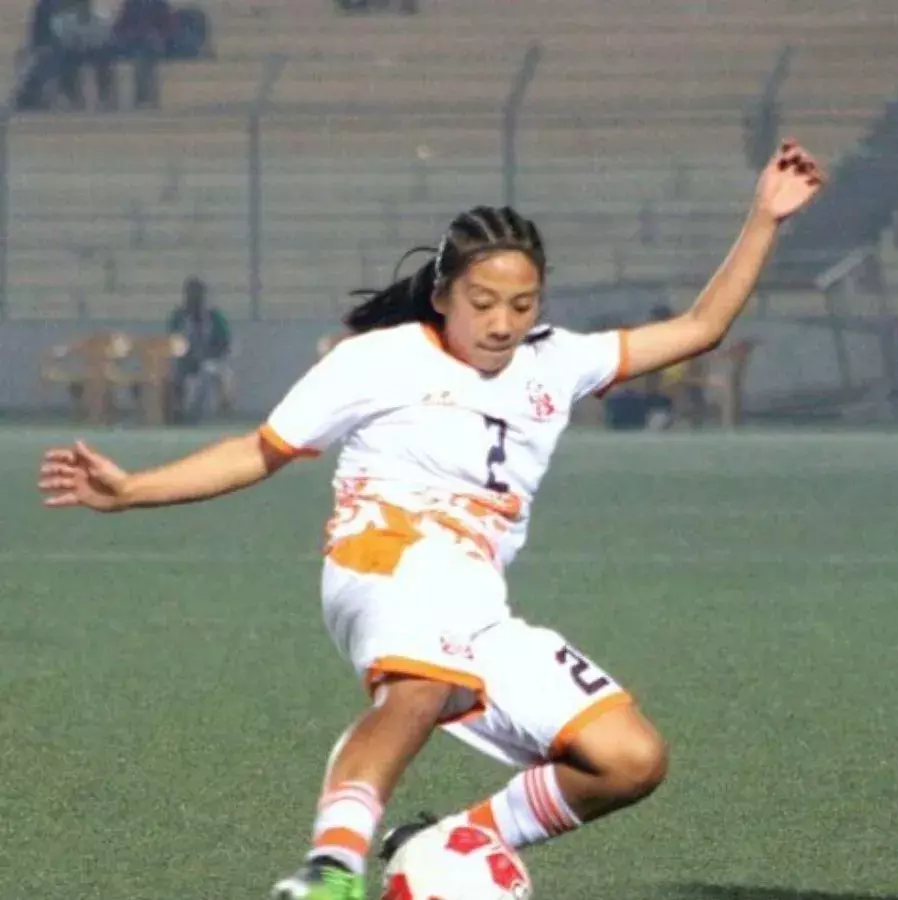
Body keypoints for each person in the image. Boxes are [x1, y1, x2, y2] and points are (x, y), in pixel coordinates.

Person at [38, 140, 824, 900]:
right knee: (418, 689)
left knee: (629, 758)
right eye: (482, 302)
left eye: (522, 304)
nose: (502, 322)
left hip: (475, 599)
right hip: (385, 556)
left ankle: (446, 843)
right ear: (443, 294)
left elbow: (700, 329)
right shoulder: (377, 361)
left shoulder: (556, 361)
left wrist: (765, 217)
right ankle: (331, 869)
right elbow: (258, 451)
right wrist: (132, 489)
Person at [167, 277, 233, 423]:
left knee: (208, 372)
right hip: (185, 360)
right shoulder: (179, 317)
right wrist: (187, 355)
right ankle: (177, 410)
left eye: (197, 294)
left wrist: (208, 355)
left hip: (210, 359)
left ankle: (196, 412)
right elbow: (172, 340)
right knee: (174, 373)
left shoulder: (214, 316)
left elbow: (224, 342)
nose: (194, 298)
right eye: (191, 294)